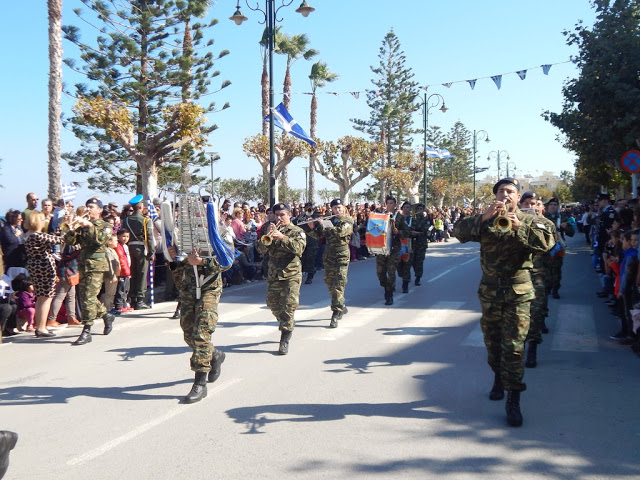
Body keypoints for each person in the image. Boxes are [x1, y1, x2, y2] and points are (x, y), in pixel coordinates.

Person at [453, 178, 554, 427]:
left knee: (514, 347)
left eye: (511, 192)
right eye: (501, 191)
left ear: (518, 197)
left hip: (518, 293)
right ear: (495, 195)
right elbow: (458, 232)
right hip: (489, 293)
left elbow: (546, 244)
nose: (506, 195)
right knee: (493, 343)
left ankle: (513, 399)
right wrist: (485, 217)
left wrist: (520, 226)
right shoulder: (486, 220)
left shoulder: (532, 220)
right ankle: (498, 377)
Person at [255, 203, 306, 354]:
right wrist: (268, 236)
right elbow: (260, 249)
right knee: (272, 304)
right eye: (276, 215)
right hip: (274, 274)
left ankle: (285, 335)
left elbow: (299, 249)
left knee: (288, 306)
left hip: (291, 274)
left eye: (282, 215)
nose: (279, 218)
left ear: (289, 215)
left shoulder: (297, 231)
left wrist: (282, 237)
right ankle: (287, 322)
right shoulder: (270, 229)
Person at [64, 198, 116, 345]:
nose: (88, 209)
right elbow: (71, 242)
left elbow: (100, 241)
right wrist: (71, 228)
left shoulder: (105, 225)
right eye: (87, 207)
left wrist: (89, 226)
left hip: (97, 266)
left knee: (88, 297)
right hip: (83, 264)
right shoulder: (82, 225)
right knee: (87, 297)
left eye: (91, 207)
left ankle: (87, 330)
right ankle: (106, 315)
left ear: (99, 210)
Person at [519, 192, 556, 368]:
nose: (529, 206)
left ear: (538, 205)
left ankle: (532, 348)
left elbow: (552, 246)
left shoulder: (547, 224)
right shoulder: (511, 222)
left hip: (538, 276)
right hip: (517, 277)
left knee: (535, 314)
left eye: (532, 203)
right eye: (525, 203)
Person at [308, 199, 353, 328]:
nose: (337, 210)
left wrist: (323, 224)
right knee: (329, 283)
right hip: (329, 256)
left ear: (343, 208)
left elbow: (338, 233)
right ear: (331, 209)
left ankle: (335, 312)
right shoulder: (330, 221)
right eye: (335, 208)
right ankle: (341, 305)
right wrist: (312, 227)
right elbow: (319, 236)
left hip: (341, 256)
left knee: (338, 284)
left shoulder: (347, 220)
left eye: (339, 207)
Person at [23, 211, 64, 337]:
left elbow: (52, 236)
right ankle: (41, 327)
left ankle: (40, 326)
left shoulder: (30, 235)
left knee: (41, 297)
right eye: (42, 220)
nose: (44, 222)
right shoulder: (37, 236)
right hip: (44, 267)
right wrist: (70, 229)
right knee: (46, 297)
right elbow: (59, 239)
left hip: (36, 266)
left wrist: (62, 225)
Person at [122, 195, 154, 309]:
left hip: (129, 248)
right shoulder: (145, 219)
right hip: (141, 248)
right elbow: (149, 237)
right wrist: (151, 252)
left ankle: (132, 298)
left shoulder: (126, 220)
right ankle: (140, 299)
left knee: (133, 273)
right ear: (140, 206)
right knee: (142, 273)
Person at [375, 196, 410, 305]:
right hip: (381, 248)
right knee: (380, 273)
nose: (390, 205)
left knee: (391, 272)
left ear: (395, 205)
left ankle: (389, 294)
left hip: (394, 248)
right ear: (385, 204)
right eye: (388, 203)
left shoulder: (400, 217)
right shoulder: (380, 216)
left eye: (392, 203)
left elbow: (407, 232)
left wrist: (398, 232)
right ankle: (386, 286)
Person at [543, 197, 576, 298]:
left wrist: (566, 227)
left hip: (557, 246)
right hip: (545, 246)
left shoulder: (562, 217)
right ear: (547, 206)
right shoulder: (542, 217)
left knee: (556, 269)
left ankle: (555, 289)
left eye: (555, 205)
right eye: (551, 204)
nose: (553, 206)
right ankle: (547, 287)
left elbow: (571, 233)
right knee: (545, 269)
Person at [410, 203, 430, 286]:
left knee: (419, 261)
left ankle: (418, 277)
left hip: (421, 243)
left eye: (421, 209)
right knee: (412, 261)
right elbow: (409, 229)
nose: (419, 210)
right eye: (418, 209)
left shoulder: (426, 220)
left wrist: (419, 232)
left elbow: (427, 229)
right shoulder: (412, 219)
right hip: (413, 243)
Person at [396, 201, 414, 294]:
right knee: (399, 266)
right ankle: (403, 276)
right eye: (405, 207)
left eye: (408, 207)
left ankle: (405, 284)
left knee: (407, 265)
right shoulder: (397, 218)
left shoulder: (413, 219)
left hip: (409, 244)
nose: (407, 209)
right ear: (402, 209)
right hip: (399, 244)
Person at [114, 229, 132, 313]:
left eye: (127, 236)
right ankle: (119, 305)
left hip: (127, 269)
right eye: (123, 236)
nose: (125, 238)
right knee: (121, 289)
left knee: (126, 289)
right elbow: (121, 260)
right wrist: (125, 270)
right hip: (122, 271)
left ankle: (125, 304)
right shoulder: (118, 246)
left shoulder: (125, 246)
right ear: (118, 237)